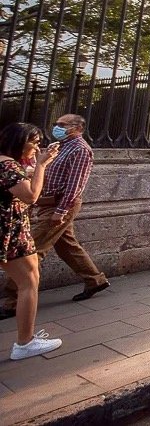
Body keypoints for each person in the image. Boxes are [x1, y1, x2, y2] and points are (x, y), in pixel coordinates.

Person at [2, 114, 108, 316]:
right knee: (66, 245)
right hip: (47, 202)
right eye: (56, 124)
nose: (56, 127)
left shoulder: (80, 149)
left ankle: (11, 300)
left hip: (60, 204)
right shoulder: (60, 146)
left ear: (76, 127)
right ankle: (95, 280)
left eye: (61, 125)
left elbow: (76, 184)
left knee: (33, 247)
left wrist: (61, 211)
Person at [0, 122, 64, 359]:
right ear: (19, 141)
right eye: (34, 142)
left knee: (28, 278)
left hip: (10, 229)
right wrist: (42, 165)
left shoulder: (5, 162)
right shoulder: (7, 165)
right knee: (29, 282)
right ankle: (24, 343)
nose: (37, 148)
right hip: (10, 230)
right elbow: (31, 195)